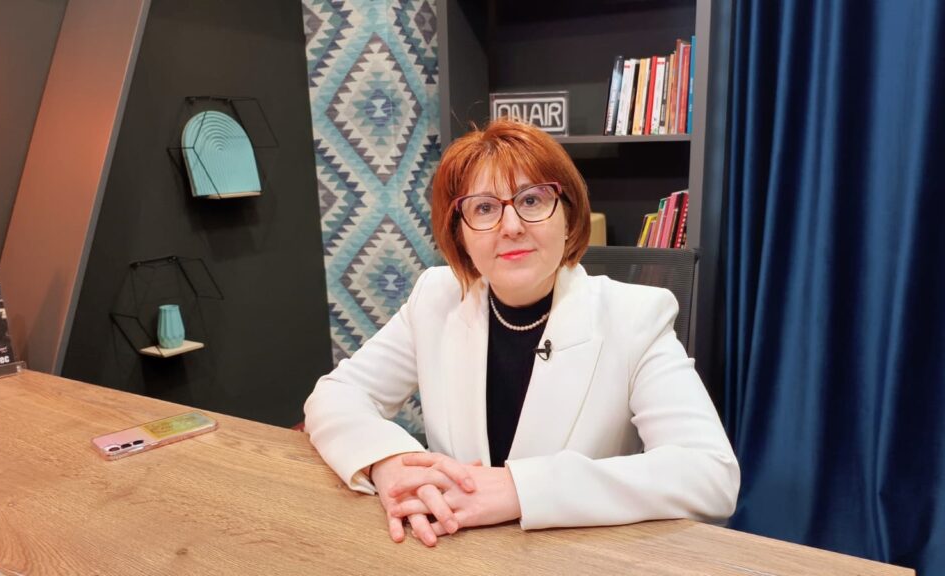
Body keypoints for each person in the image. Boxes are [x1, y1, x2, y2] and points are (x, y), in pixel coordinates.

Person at [304, 118, 739, 547]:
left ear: (568, 216)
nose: (511, 226)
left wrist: (520, 489)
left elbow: (710, 473)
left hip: (571, 556)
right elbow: (337, 394)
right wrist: (391, 463)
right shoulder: (436, 297)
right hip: (452, 548)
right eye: (484, 208)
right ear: (460, 234)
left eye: (531, 200)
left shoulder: (635, 316)